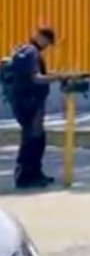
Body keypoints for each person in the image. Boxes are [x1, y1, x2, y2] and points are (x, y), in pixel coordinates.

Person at [4, 27, 63, 188]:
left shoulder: (25, 51)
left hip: (25, 101)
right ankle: (26, 177)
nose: (47, 45)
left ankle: (34, 174)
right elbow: (36, 78)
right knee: (32, 140)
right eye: (46, 40)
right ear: (39, 37)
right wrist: (57, 78)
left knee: (37, 139)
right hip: (30, 103)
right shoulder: (31, 52)